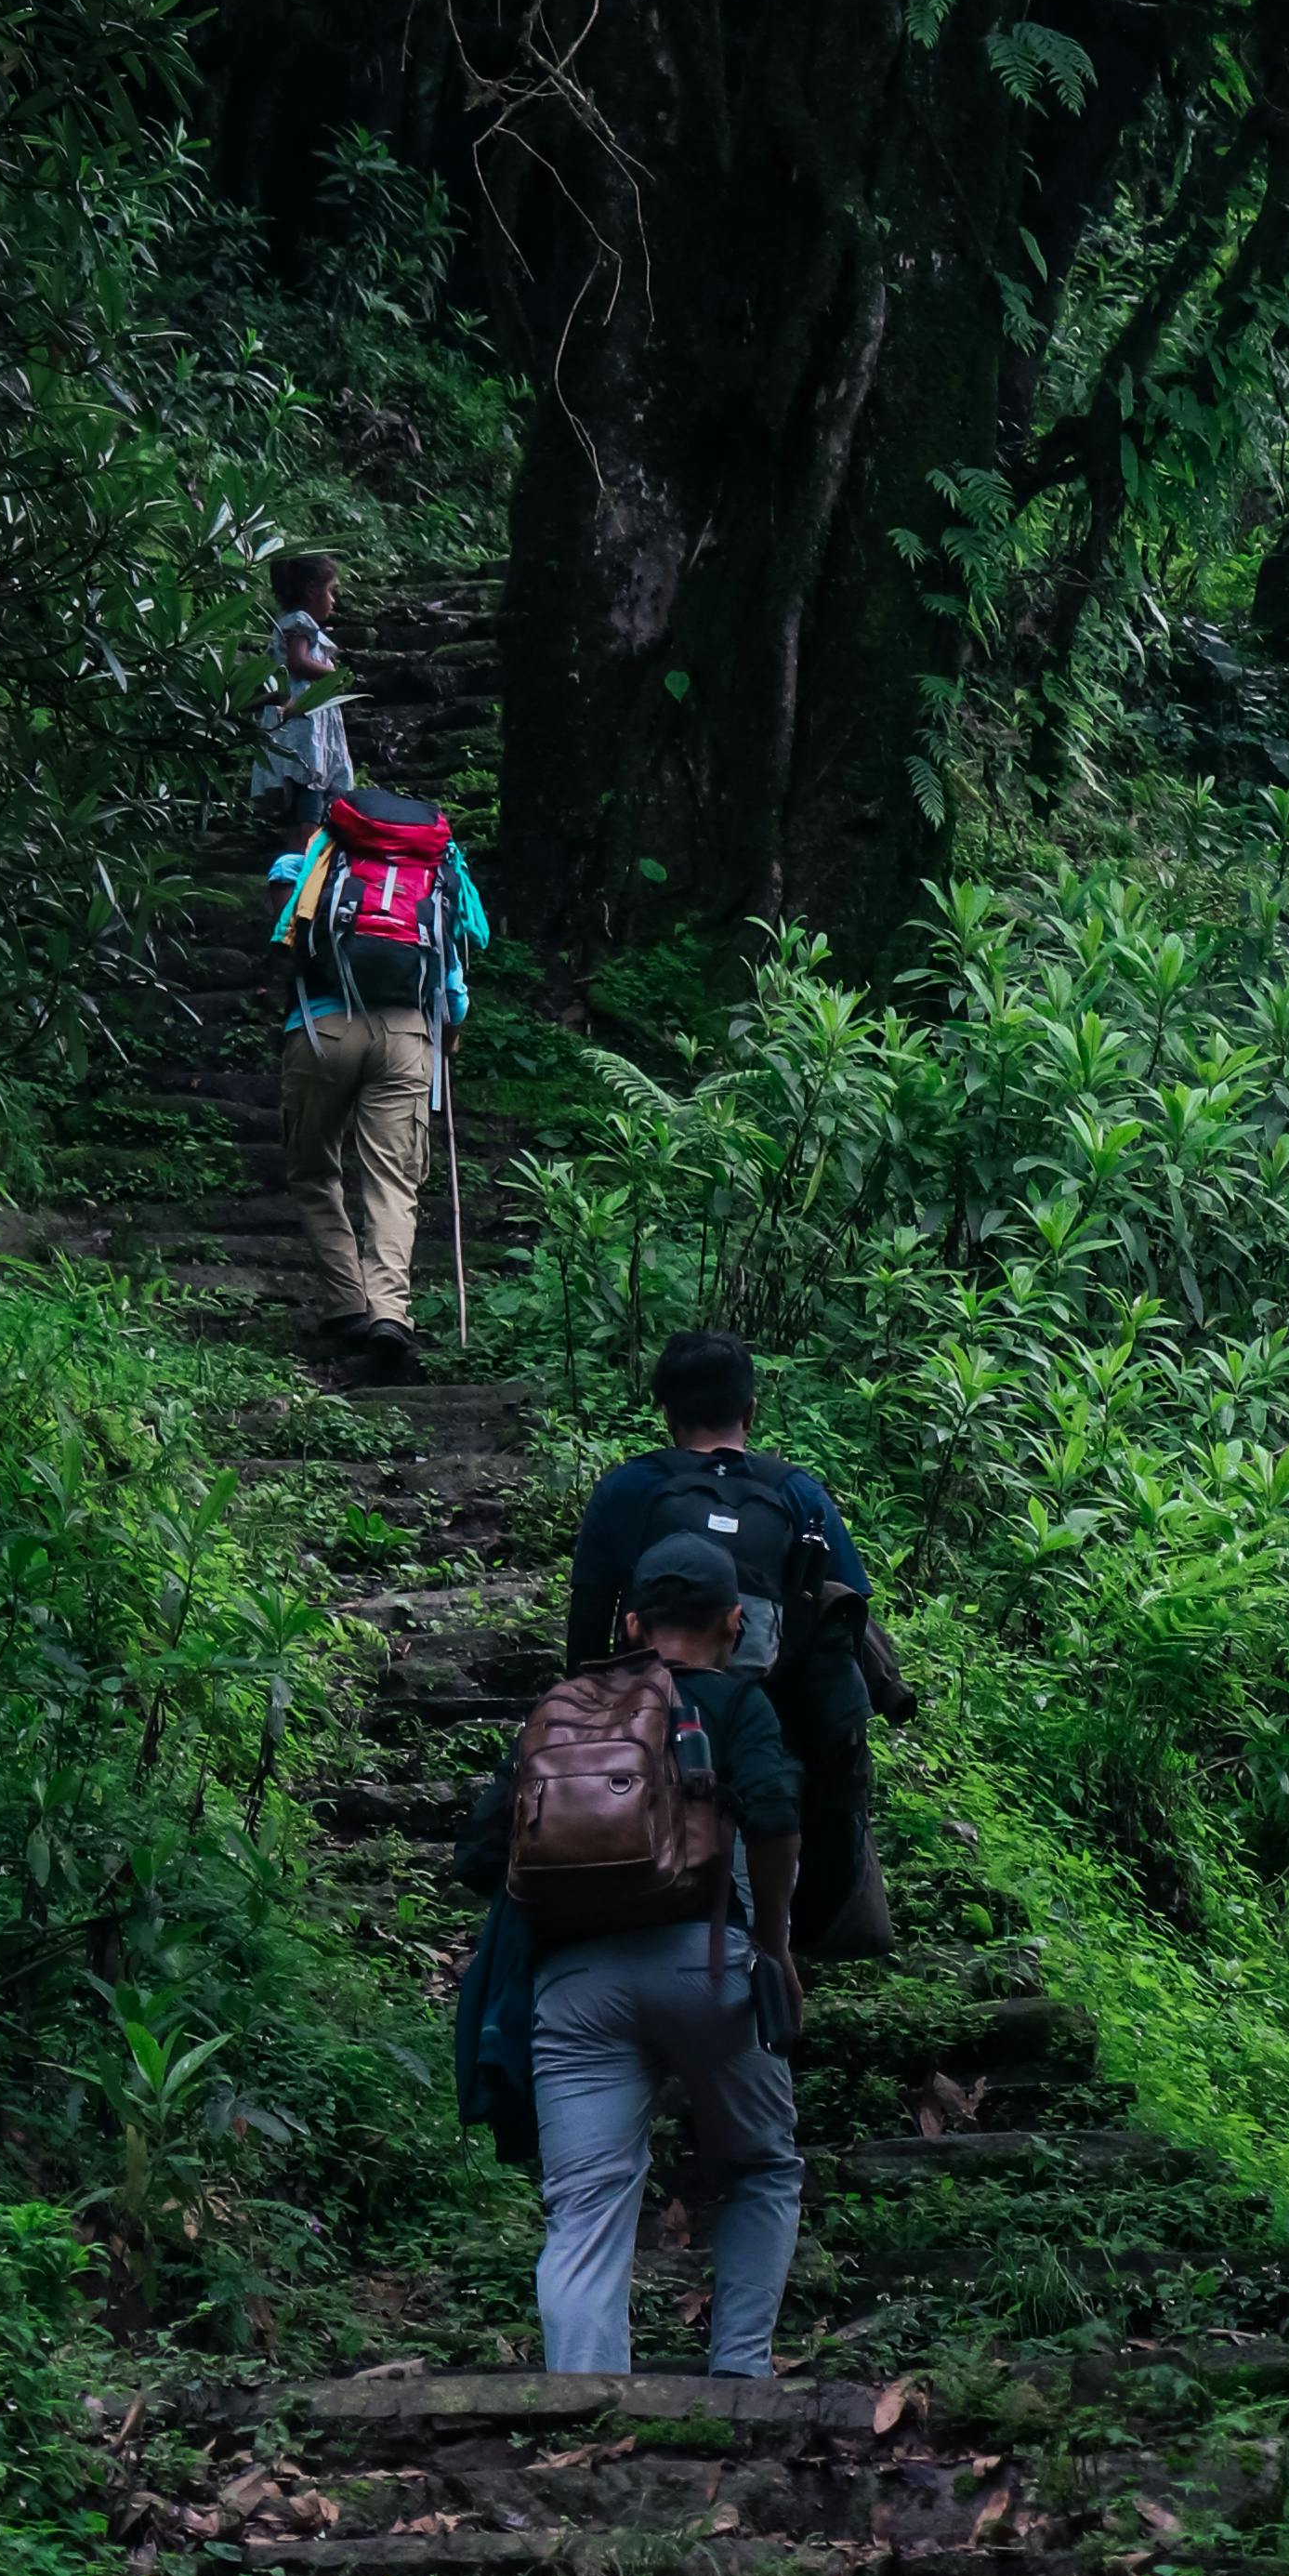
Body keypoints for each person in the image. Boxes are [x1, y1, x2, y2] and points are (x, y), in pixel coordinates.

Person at [457, 1530, 805, 2379]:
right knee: (761, 2165)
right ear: (734, 1622)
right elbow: (775, 1815)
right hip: (709, 1967)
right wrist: (773, 1947)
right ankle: (738, 2375)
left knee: (583, 2209)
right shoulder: (734, 1704)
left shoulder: (564, 1710)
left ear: (631, 1626)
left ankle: (583, 2402)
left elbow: (478, 1859)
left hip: (574, 1987)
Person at [565, 1331, 889, 1956]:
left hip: (650, 1712)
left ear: (666, 1412)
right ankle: (780, 1954)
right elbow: (847, 1615)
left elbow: (585, 1631)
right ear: (751, 1411)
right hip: (770, 1721)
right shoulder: (799, 1494)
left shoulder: (626, 1490)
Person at [271, 778, 484, 1373]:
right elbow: (455, 984)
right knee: (393, 1182)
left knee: (315, 1169)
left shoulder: (321, 858)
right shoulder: (436, 875)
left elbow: (284, 922)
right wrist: (447, 1034)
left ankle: (347, 1302)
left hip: (322, 1028)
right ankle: (390, 1311)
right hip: (407, 1037)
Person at [250, 549, 350, 837]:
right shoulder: (301, 622)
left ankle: (294, 852)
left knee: (300, 787)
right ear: (311, 590)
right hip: (302, 719)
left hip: (294, 717)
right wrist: (337, 677)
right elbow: (297, 662)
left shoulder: (290, 622)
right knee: (311, 781)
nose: (333, 600)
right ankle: (306, 850)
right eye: (330, 591)